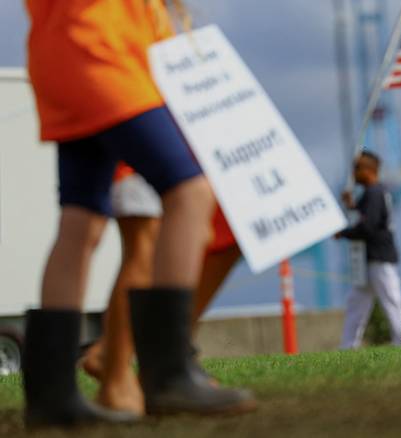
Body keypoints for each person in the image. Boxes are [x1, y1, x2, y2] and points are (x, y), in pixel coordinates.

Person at [22, 1, 254, 427]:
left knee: (80, 221)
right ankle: (167, 375)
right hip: (104, 51)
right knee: (190, 191)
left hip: (63, 54)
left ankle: (51, 395)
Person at [81, 165, 242, 415]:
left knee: (229, 228)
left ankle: (171, 358)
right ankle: (116, 367)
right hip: (141, 135)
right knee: (147, 238)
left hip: (199, 138)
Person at [336, 151, 401, 349]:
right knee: (357, 303)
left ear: (368, 170)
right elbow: (364, 215)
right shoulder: (374, 192)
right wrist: (351, 204)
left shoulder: (374, 193)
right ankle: (348, 345)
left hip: (380, 258)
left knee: (391, 301)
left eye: (357, 168)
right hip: (371, 259)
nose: (354, 173)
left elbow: (368, 226)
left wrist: (345, 233)